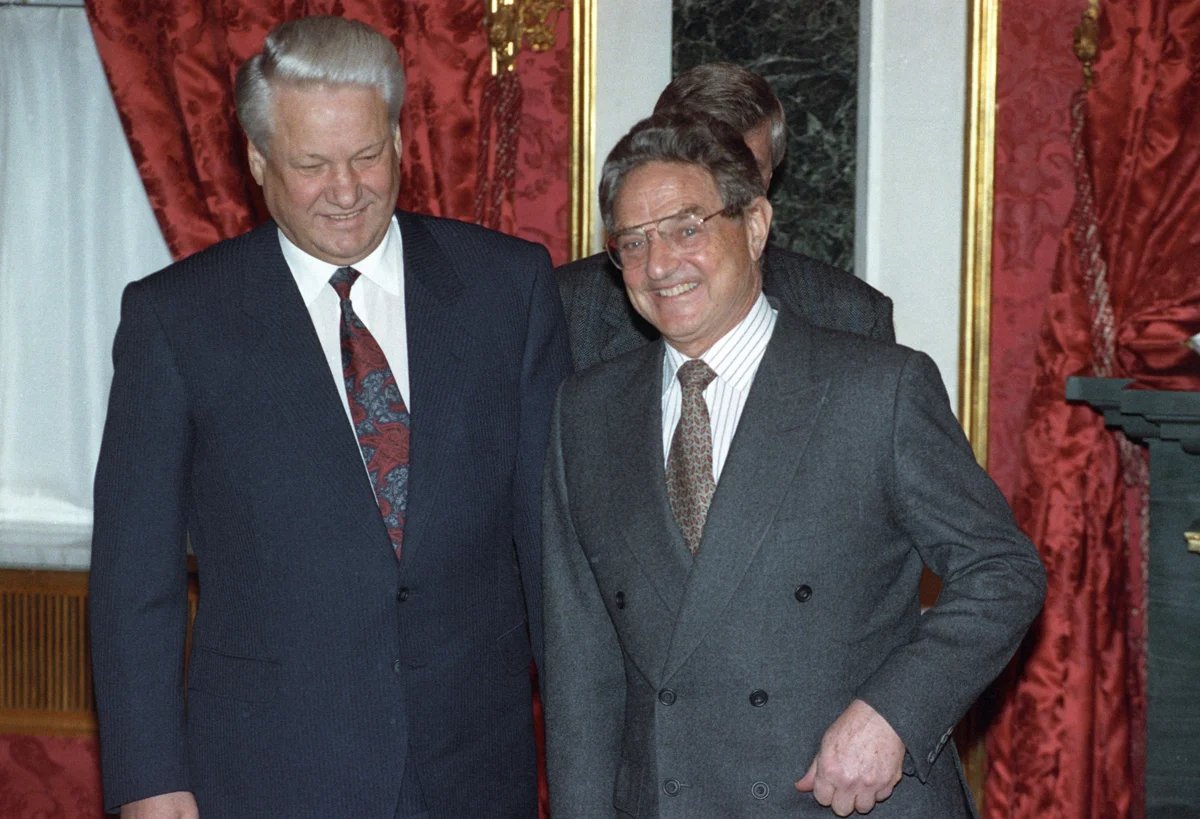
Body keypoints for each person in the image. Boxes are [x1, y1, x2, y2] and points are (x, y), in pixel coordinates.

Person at [89, 16, 571, 818]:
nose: (345, 191)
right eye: (311, 164)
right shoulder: (177, 318)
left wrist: (584, 761)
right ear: (257, 160)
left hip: (474, 769)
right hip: (267, 767)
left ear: (399, 140)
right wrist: (148, 779)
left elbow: (557, 552)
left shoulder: (507, 290)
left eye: (366, 156)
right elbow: (133, 578)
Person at [540, 112, 1045, 817]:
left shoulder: (876, 388)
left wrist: (893, 714)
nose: (660, 264)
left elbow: (1003, 569)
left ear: (754, 224)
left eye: (688, 228)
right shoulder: (585, 413)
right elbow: (579, 671)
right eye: (634, 241)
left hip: (846, 799)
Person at [555, 62, 893, 371]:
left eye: (745, 171)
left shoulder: (848, 315)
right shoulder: (566, 310)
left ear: (769, 183)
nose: (727, 188)